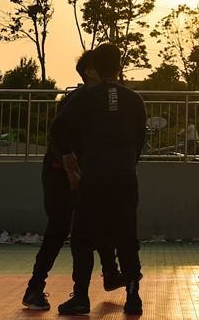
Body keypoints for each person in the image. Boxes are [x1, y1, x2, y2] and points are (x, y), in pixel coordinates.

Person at [22, 51, 123, 310]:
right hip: (59, 172)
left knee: (98, 221)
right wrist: (69, 168)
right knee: (59, 227)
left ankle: (110, 274)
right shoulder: (75, 100)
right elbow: (57, 136)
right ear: (90, 72)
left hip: (85, 172)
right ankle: (34, 287)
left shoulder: (105, 101)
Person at [52, 43, 147, 316]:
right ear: (120, 66)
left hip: (94, 175)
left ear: (97, 66)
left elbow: (58, 129)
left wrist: (70, 158)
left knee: (82, 236)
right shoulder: (134, 99)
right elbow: (140, 140)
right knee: (127, 235)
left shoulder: (85, 97)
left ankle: (81, 296)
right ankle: (133, 295)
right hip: (125, 176)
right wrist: (128, 161)